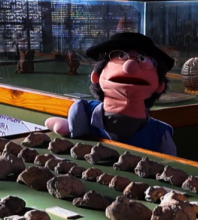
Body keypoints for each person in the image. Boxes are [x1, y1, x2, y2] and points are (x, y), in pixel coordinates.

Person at [45, 32, 177, 155]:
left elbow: (172, 162)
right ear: (96, 76)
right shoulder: (83, 112)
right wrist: (60, 125)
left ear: (160, 86)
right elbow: (61, 128)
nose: (130, 66)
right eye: (121, 56)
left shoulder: (159, 133)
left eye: (142, 59)